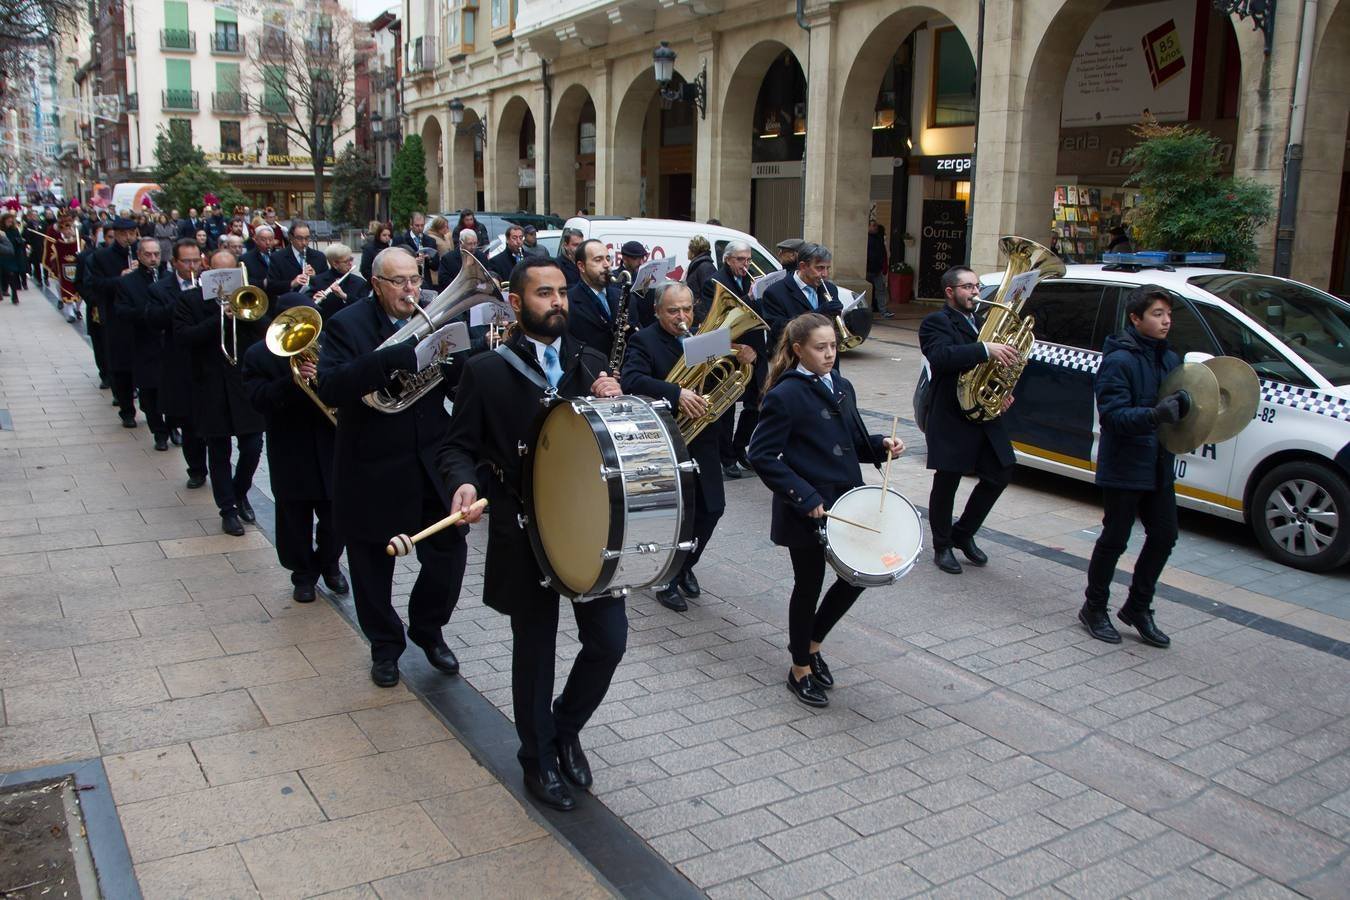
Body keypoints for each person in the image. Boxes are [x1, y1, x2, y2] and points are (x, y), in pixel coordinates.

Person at [441, 255, 623, 812]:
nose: (559, 302)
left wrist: (618, 403)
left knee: (609, 642)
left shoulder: (591, 362)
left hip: (590, 526)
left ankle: (563, 728)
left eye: (563, 291)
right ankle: (536, 757)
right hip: (524, 528)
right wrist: (463, 485)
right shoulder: (486, 370)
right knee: (535, 650)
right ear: (517, 305)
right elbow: (457, 447)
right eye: (545, 293)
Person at [316, 246, 468, 688]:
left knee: (449, 555)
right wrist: (387, 359)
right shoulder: (348, 324)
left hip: (428, 462)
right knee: (370, 567)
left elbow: (455, 386)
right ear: (376, 283)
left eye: (415, 279)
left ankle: (427, 626)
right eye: (399, 282)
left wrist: (460, 368)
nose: (410, 290)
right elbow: (330, 386)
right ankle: (385, 646)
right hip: (371, 466)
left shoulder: (433, 316)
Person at [749, 312, 902, 707]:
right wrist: (804, 496)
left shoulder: (842, 385)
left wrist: (882, 445)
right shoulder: (786, 393)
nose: (830, 354)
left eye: (833, 346)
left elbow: (852, 440)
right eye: (820, 348)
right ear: (798, 350)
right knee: (809, 583)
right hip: (808, 507)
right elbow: (762, 455)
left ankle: (812, 643)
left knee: (857, 577)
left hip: (847, 501)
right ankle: (799, 667)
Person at [1079, 285, 1183, 649]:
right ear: (1136, 319)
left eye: (1168, 314)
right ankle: (1094, 608)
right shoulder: (1120, 360)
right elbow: (1112, 417)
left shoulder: (1170, 359)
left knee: (1165, 535)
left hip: (1157, 463)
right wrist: (1155, 414)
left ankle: (1138, 607)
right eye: (1157, 314)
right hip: (1125, 463)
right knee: (1115, 539)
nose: (1166, 320)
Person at [621, 281, 730, 612]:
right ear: (657, 312)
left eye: (687, 309)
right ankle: (666, 578)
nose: (682, 317)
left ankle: (684, 567)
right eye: (673, 311)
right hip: (667, 439)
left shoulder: (701, 340)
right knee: (678, 514)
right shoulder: (644, 340)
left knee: (713, 508)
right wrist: (676, 393)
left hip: (703, 437)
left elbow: (722, 378)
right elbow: (632, 380)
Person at [242, 293, 348, 604]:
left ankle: (330, 564)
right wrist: (293, 381)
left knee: (335, 518)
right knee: (293, 518)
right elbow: (258, 399)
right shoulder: (259, 355)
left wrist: (325, 377)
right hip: (291, 445)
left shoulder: (330, 346)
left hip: (330, 444)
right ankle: (302, 575)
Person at [918, 265, 1019, 575]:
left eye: (976, 286)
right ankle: (942, 545)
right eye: (967, 287)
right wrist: (984, 349)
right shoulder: (935, 322)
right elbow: (940, 357)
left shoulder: (982, 321)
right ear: (950, 292)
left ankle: (963, 533)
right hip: (950, 412)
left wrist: (1002, 391)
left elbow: (1001, 366)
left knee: (1001, 471)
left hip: (983, 411)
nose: (975, 292)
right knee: (948, 480)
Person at [174, 248, 267, 536]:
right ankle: (227, 509)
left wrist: (242, 313)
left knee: (252, 447)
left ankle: (240, 492)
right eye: (219, 274)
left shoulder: (248, 299)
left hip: (242, 385)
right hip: (210, 386)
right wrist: (220, 316)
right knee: (219, 451)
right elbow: (185, 337)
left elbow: (263, 333)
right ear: (207, 271)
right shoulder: (189, 300)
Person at [701, 240, 767, 479]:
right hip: (730, 352)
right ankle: (726, 457)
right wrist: (749, 299)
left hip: (756, 350)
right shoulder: (715, 283)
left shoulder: (752, 280)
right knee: (727, 407)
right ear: (728, 259)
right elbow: (718, 323)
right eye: (741, 259)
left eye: (749, 259)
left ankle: (740, 447)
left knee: (757, 403)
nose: (746, 264)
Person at [151, 239, 209, 488]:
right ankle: (196, 469)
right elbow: (154, 319)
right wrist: (186, 300)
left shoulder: (211, 283)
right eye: (186, 261)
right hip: (181, 363)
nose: (192, 266)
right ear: (175, 262)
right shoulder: (160, 288)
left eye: (196, 260)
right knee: (189, 421)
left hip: (209, 363)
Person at [113, 237, 173, 449]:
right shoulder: (127, 283)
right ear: (139, 256)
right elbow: (121, 311)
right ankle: (159, 433)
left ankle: (173, 426)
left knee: (172, 388)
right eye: (148, 254)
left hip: (170, 344)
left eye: (157, 254)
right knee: (149, 393)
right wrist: (148, 313)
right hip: (144, 343)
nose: (153, 258)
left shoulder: (169, 277)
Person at [88, 217, 141, 424]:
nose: (129, 238)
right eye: (125, 234)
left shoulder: (142, 251)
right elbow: (96, 284)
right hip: (115, 317)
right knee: (120, 365)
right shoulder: (101, 257)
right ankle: (126, 409)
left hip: (139, 316)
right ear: (116, 235)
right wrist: (122, 278)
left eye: (132, 233)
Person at [762, 242, 844, 358]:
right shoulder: (775, 292)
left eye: (827, 268)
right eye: (819, 268)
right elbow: (778, 331)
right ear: (803, 266)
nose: (825, 274)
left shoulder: (830, 289)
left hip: (827, 362)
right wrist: (817, 314)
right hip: (795, 361)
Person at [567, 238, 633, 361]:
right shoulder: (568, 302)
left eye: (608, 259)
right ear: (581, 266)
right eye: (598, 260)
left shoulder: (623, 296)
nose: (607, 265)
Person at [265, 220, 328, 301]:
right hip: (288, 303)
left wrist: (315, 277)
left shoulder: (319, 257)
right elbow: (271, 286)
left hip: (313, 303)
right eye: (299, 238)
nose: (304, 242)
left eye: (307, 238)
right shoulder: (278, 257)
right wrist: (292, 283)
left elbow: (327, 283)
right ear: (291, 237)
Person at [310, 242, 370, 320]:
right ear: (335, 263)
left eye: (351, 259)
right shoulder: (317, 281)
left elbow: (365, 307)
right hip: (327, 326)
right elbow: (309, 307)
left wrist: (344, 296)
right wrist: (314, 300)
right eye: (346, 261)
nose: (350, 264)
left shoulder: (360, 283)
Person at [392, 211, 439, 283]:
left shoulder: (430, 241)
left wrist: (429, 258)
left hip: (425, 281)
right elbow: (394, 262)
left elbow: (436, 266)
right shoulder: (401, 239)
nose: (420, 228)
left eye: (422, 225)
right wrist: (413, 262)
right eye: (417, 225)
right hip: (406, 280)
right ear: (411, 225)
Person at [866, 221, 893, 318]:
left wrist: (883, 267)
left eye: (876, 225)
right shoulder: (865, 239)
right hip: (867, 270)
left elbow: (883, 254)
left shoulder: (879, 238)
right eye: (873, 226)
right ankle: (867, 310)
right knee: (868, 291)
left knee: (880, 290)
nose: (875, 227)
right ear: (868, 227)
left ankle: (883, 311)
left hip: (877, 270)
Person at [683, 235, 715, 313]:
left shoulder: (705, 267)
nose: (687, 252)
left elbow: (708, 296)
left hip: (700, 318)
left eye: (689, 249)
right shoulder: (697, 265)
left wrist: (697, 310)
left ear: (693, 252)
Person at [1, 213, 26, 304]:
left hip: (12, 256)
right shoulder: (1, 230)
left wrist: (20, 242)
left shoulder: (14, 230)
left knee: (12, 276)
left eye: (11, 219)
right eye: (8, 219)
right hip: (2, 256)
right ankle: (3, 290)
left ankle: (14, 295)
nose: (10, 221)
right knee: (3, 276)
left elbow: (19, 240)